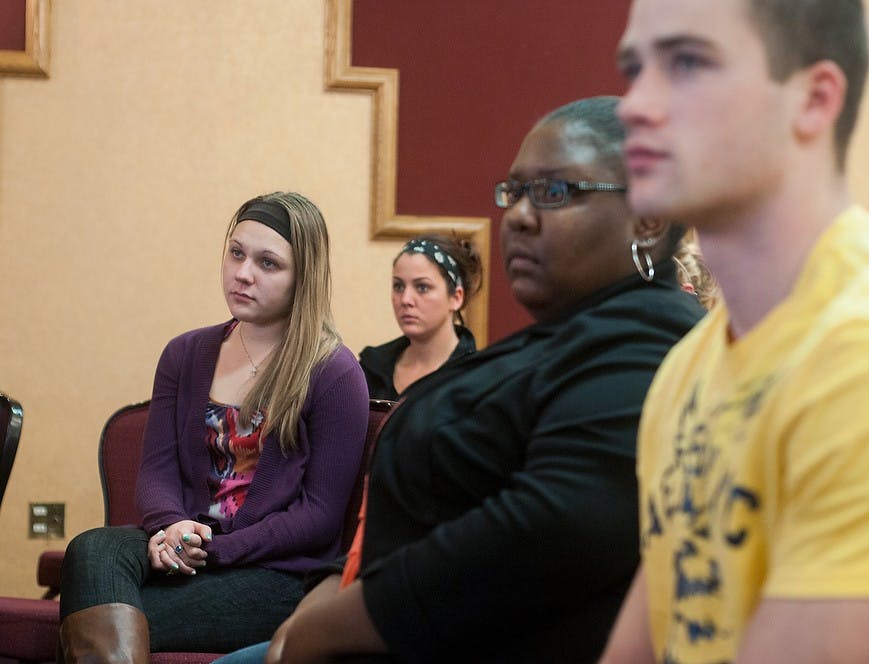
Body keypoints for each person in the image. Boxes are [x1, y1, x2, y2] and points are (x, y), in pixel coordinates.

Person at [214, 96, 705, 664]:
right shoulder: (567, 335)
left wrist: (333, 628)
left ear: (648, 220)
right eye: (513, 192)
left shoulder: (654, 344)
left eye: (554, 192)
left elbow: (550, 533)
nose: (517, 215)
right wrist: (318, 607)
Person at [602, 1, 869, 663]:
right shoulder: (690, 365)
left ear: (814, 100)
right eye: (635, 68)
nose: (634, 105)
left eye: (688, 63)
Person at [58, 192, 370, 661]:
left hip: (274, 574)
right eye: (237, 253)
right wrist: (170, 527)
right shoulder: (184, 354)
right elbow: (157, 471)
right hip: (185, 546)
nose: (243, 273)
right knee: (93, 549)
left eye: (268, 263)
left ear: (302, 277)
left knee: (98, 615)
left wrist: (215, 549)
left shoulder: (334, 372)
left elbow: (318, 515)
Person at [359, 233, 481, 400]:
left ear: (456, 297)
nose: (406, 299)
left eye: (422, 287)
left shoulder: (476, 378)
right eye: (398, 286)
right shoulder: (372, 369)